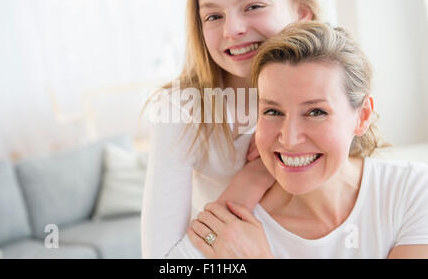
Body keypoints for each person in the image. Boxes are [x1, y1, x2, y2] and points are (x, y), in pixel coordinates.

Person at [181, 21, 428, 259]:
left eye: (316, 112)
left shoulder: (412, 191)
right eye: (273, 112)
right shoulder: (235, 224)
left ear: (362, 116)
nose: (289, 139)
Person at [141, 0, 321, 258]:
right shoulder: (182, 109)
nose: (233, 29)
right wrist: (257, 174)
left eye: (253, 6)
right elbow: (162, 261)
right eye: (213, 16)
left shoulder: (333, 87)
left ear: (301, 13)